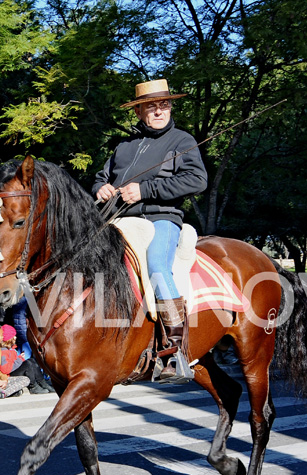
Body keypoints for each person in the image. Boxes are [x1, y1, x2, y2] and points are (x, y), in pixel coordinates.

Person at [92, 78, 207, 380]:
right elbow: (101, 177)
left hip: (161, 218)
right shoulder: (123, 146)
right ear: (139, 112)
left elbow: (197, 180)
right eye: (151, 107)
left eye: (164, 105)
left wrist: (146, 190)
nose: (159, 111)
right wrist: (101, 188)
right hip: (117, 219)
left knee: (157, 266)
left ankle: (176, 351)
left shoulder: (182, 141)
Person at [0, 325, 54, 394]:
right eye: (14, 336)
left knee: (31, 361)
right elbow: (6, 369)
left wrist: (19, 358)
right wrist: (20, 359)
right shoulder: (3, 351)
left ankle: (42, 382)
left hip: (13, 371)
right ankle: (33, 386)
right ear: (9, 339)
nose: (15, 337)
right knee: (27, 364)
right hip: (9, 375)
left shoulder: (11, 349)